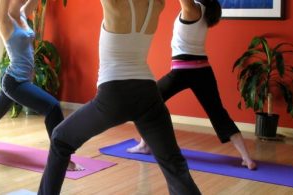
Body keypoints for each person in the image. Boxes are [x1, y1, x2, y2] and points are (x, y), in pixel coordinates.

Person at [38, 0, 201, 194]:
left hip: (114, 95)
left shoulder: (113, 3)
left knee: (60, 139)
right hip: (148, 92)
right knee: (174, 164)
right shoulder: (157, 4)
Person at [127, 0, 257, 170]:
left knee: (147, 102)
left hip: (182, 71)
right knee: (218, 113)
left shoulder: (192, 9)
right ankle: (247, 159)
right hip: (203, 71)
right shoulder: (205, 9)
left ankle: (145, 145)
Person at [0, 0, 83, 171]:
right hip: (14, 82)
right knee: (53, 107)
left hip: (20, 80)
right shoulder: (5, 20)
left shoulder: (22, 13)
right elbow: (2, 8)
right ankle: (62, 160)